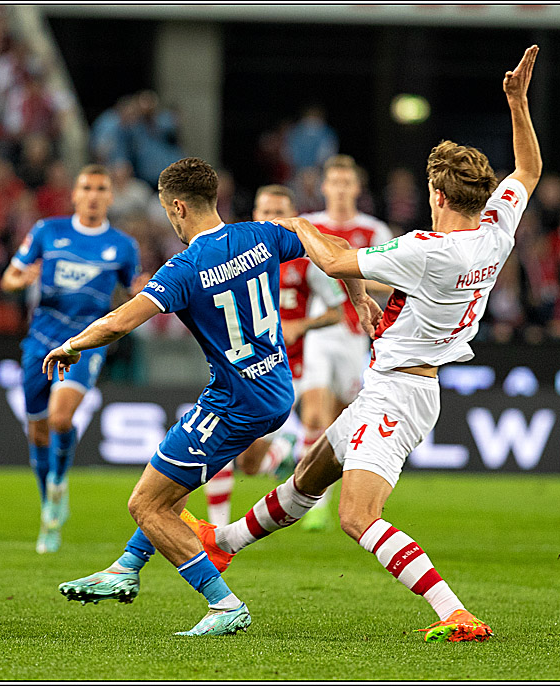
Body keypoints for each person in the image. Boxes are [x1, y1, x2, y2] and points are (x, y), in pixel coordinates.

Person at [183, 46, 542, 644]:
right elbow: (527, 171)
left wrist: (295, 224)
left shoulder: (428, 250)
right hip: (397, 384)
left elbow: (335, 260)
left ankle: (455, 612)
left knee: (356, 516)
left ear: (438, 196)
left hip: (399, 394)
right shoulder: (496, 229)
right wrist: (517, 103)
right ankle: (223, 542)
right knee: (309, 475)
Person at [43, 157, 366, 636]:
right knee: (170, 483)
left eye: (166, 211)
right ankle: (126, 567)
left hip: (235, 400)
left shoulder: (184, 268)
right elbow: (336, 248)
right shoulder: (259, 235)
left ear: (177, 207)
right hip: (275, 386)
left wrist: (71, 345)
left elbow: (119, 322)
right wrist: (358, 296)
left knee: (146, 504)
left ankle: (224, 604)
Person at [0, 164, 142, 554]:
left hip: (85, 342)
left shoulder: (123, 245)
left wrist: (142, 289)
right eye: (87, 188)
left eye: (101, 188)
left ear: (110, 196)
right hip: (40, 341)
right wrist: (20, 280)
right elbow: (9, 277)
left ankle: (58, 484)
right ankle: (49, 507)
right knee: (37, 432)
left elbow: (135, 289)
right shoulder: (48, 231)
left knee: (61, 418)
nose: (93, 195)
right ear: (75, 194)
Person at [203, 184, 346, 527]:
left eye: (279, 213)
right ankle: (283, 451)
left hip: (286, 368)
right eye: (266, 212)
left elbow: (336, 312)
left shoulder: (305, 260)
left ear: (293, 217)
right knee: (248, 464)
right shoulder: (234, 256)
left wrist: (301, 325)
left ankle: (219, 530)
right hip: (241, 365)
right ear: (255, 215)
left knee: (225, 441)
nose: (272, 218)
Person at [295, 153, 394, 531]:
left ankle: (319, 493)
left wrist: (350, 275)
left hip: (356, 334)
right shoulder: (311, 226)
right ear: (324, 187)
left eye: (345, 182)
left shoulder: (373, 231)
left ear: (356, 187)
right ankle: (309, 502)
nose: (339, 189)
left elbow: (391, 279)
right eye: (333, 182)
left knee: (339, 423)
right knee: (314, 414)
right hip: (320, 331)